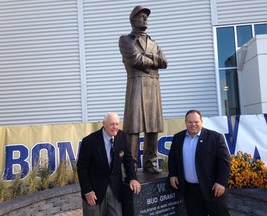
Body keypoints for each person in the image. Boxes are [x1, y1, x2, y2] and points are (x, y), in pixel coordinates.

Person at [118, 5, 168, 173]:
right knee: (133, 128)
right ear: (133, 20)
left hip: (153, 88)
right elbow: (136, 60)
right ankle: (130, 167)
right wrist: (155, 62)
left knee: (152, 127)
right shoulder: (126, 39)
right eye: (141, 16)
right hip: (136, 86)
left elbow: (165, 62)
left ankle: (150, 164)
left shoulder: (154, 42)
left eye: (146, 16)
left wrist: (151, 57)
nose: (145, 18)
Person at [168, 109, 231, 216]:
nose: (193, 124)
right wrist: (173, 174)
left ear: (201, 121)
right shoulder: (178, 138)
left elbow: (224, 162)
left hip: (213, 189)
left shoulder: (215, 137)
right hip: (190, 191)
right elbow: (173, 158)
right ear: (185, 122)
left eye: (196, 122)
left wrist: (221, 182)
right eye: (190, 122)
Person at [77, 112, 141, 216]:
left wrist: (133, 178)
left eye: (117, 124)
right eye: (112, 124)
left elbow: (128, 159)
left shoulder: (122, 137)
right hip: (94, 191)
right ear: (104, 124)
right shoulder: (89, 141)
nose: (115, 127)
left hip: (115, 189)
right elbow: (81, 169)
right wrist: (88, 191)